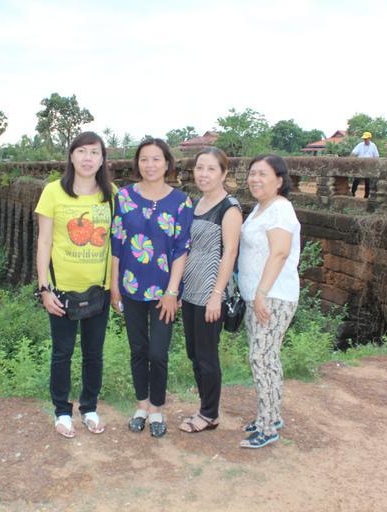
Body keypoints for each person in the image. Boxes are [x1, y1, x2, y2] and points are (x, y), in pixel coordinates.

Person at [110, 137, 193, 438]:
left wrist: (172, 292)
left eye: (156, 159)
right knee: (138, 349)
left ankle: (157, 408)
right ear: (138, 164)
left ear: (167, 163)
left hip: (163, 291)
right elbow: (117, 243)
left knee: (158, 352)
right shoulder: (124, 197)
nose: (150, 165)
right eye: (144, 159)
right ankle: (141, 406)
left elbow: (181, 249)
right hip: (130, 286)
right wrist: (114, 286)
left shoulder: (181, 202)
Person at [34, 131, 114, 439]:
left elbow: (117, 242)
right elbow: (44, 242)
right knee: (62, 353)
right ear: (71, 156)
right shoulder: (53, 192)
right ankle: (62, 412)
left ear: (102, 159)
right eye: (82, 151)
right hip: (61, 290)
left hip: (99, 288)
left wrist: (115, 286)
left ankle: (89, 408)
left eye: (94, 152)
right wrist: (44, 288)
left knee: (94, 353)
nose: (87, 158)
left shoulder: (111, 194)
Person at [238, 154, 301, 449]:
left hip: (273, 296)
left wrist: (262, 293)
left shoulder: (280, 209)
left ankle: (266, 427)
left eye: (262, 174)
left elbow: (280, 252)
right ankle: (271, 416)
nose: (255, 179)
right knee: (267, 358)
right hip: (257, 297)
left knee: (260, 358)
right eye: (252, 173)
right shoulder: (260, 208)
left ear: (279, 180)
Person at [178, 147, 242, 433]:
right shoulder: (196, 203)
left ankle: (209, 414)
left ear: (224, 174)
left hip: (210, 292)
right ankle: (205, 407)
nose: (203, 174)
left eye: (211, 169)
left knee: (206, 355)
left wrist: (217, 295)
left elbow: (230, 253)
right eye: (199, 168)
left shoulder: (229, 208)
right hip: (190, 289)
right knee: (194, 353)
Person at [350, 131, 380, 198]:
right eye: (364, 139)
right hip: (360, 165)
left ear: (369, 138)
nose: (365, 140)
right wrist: (352, 158)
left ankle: (366, 196)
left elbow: (376, 156)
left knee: (367, 181)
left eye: (366, 139)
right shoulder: (360, 145)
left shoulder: (373, 146)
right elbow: (354, 152)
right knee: (356, 179)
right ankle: (352, 193)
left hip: (369, 165)